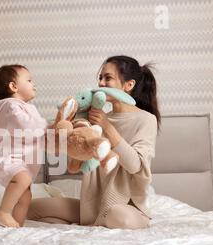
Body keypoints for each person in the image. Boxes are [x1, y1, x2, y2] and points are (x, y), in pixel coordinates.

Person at [28, 55, 161, 229]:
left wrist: (107, 127)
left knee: (116, 215)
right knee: (30, 208)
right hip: (92, 208)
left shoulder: (145, 119)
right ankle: (83, 223)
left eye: (108, 78)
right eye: (100, 78)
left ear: (129, 85)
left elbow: (136, 166)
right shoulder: (94, 118)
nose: (101, 84)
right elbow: (77, 152)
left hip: (128, 208)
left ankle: (98, 222)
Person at [0, 65, 48, 228]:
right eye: (29, 80)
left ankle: (16, 226)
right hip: (7, 158)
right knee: (23, 179)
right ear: (13, 86)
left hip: (18, 161)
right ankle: (3, 211)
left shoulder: (17, 107)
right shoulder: (12, 106)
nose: (34, 84)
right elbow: (26, 126)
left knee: (25, 196)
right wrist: (47, 125)